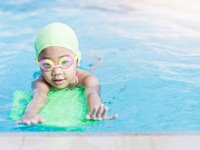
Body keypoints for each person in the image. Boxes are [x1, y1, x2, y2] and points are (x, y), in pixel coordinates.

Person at [18, 22, 118, 125]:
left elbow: (92, 92)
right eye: (47, 64)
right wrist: (30, 113)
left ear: (77, 60)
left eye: (64, 62)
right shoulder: (41, 81)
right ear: (38, 64)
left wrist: (95, 109)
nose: (57, 72)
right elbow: (39, 96)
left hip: (79, 74)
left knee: (94, 66)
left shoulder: (87, 78)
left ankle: (97, 57)